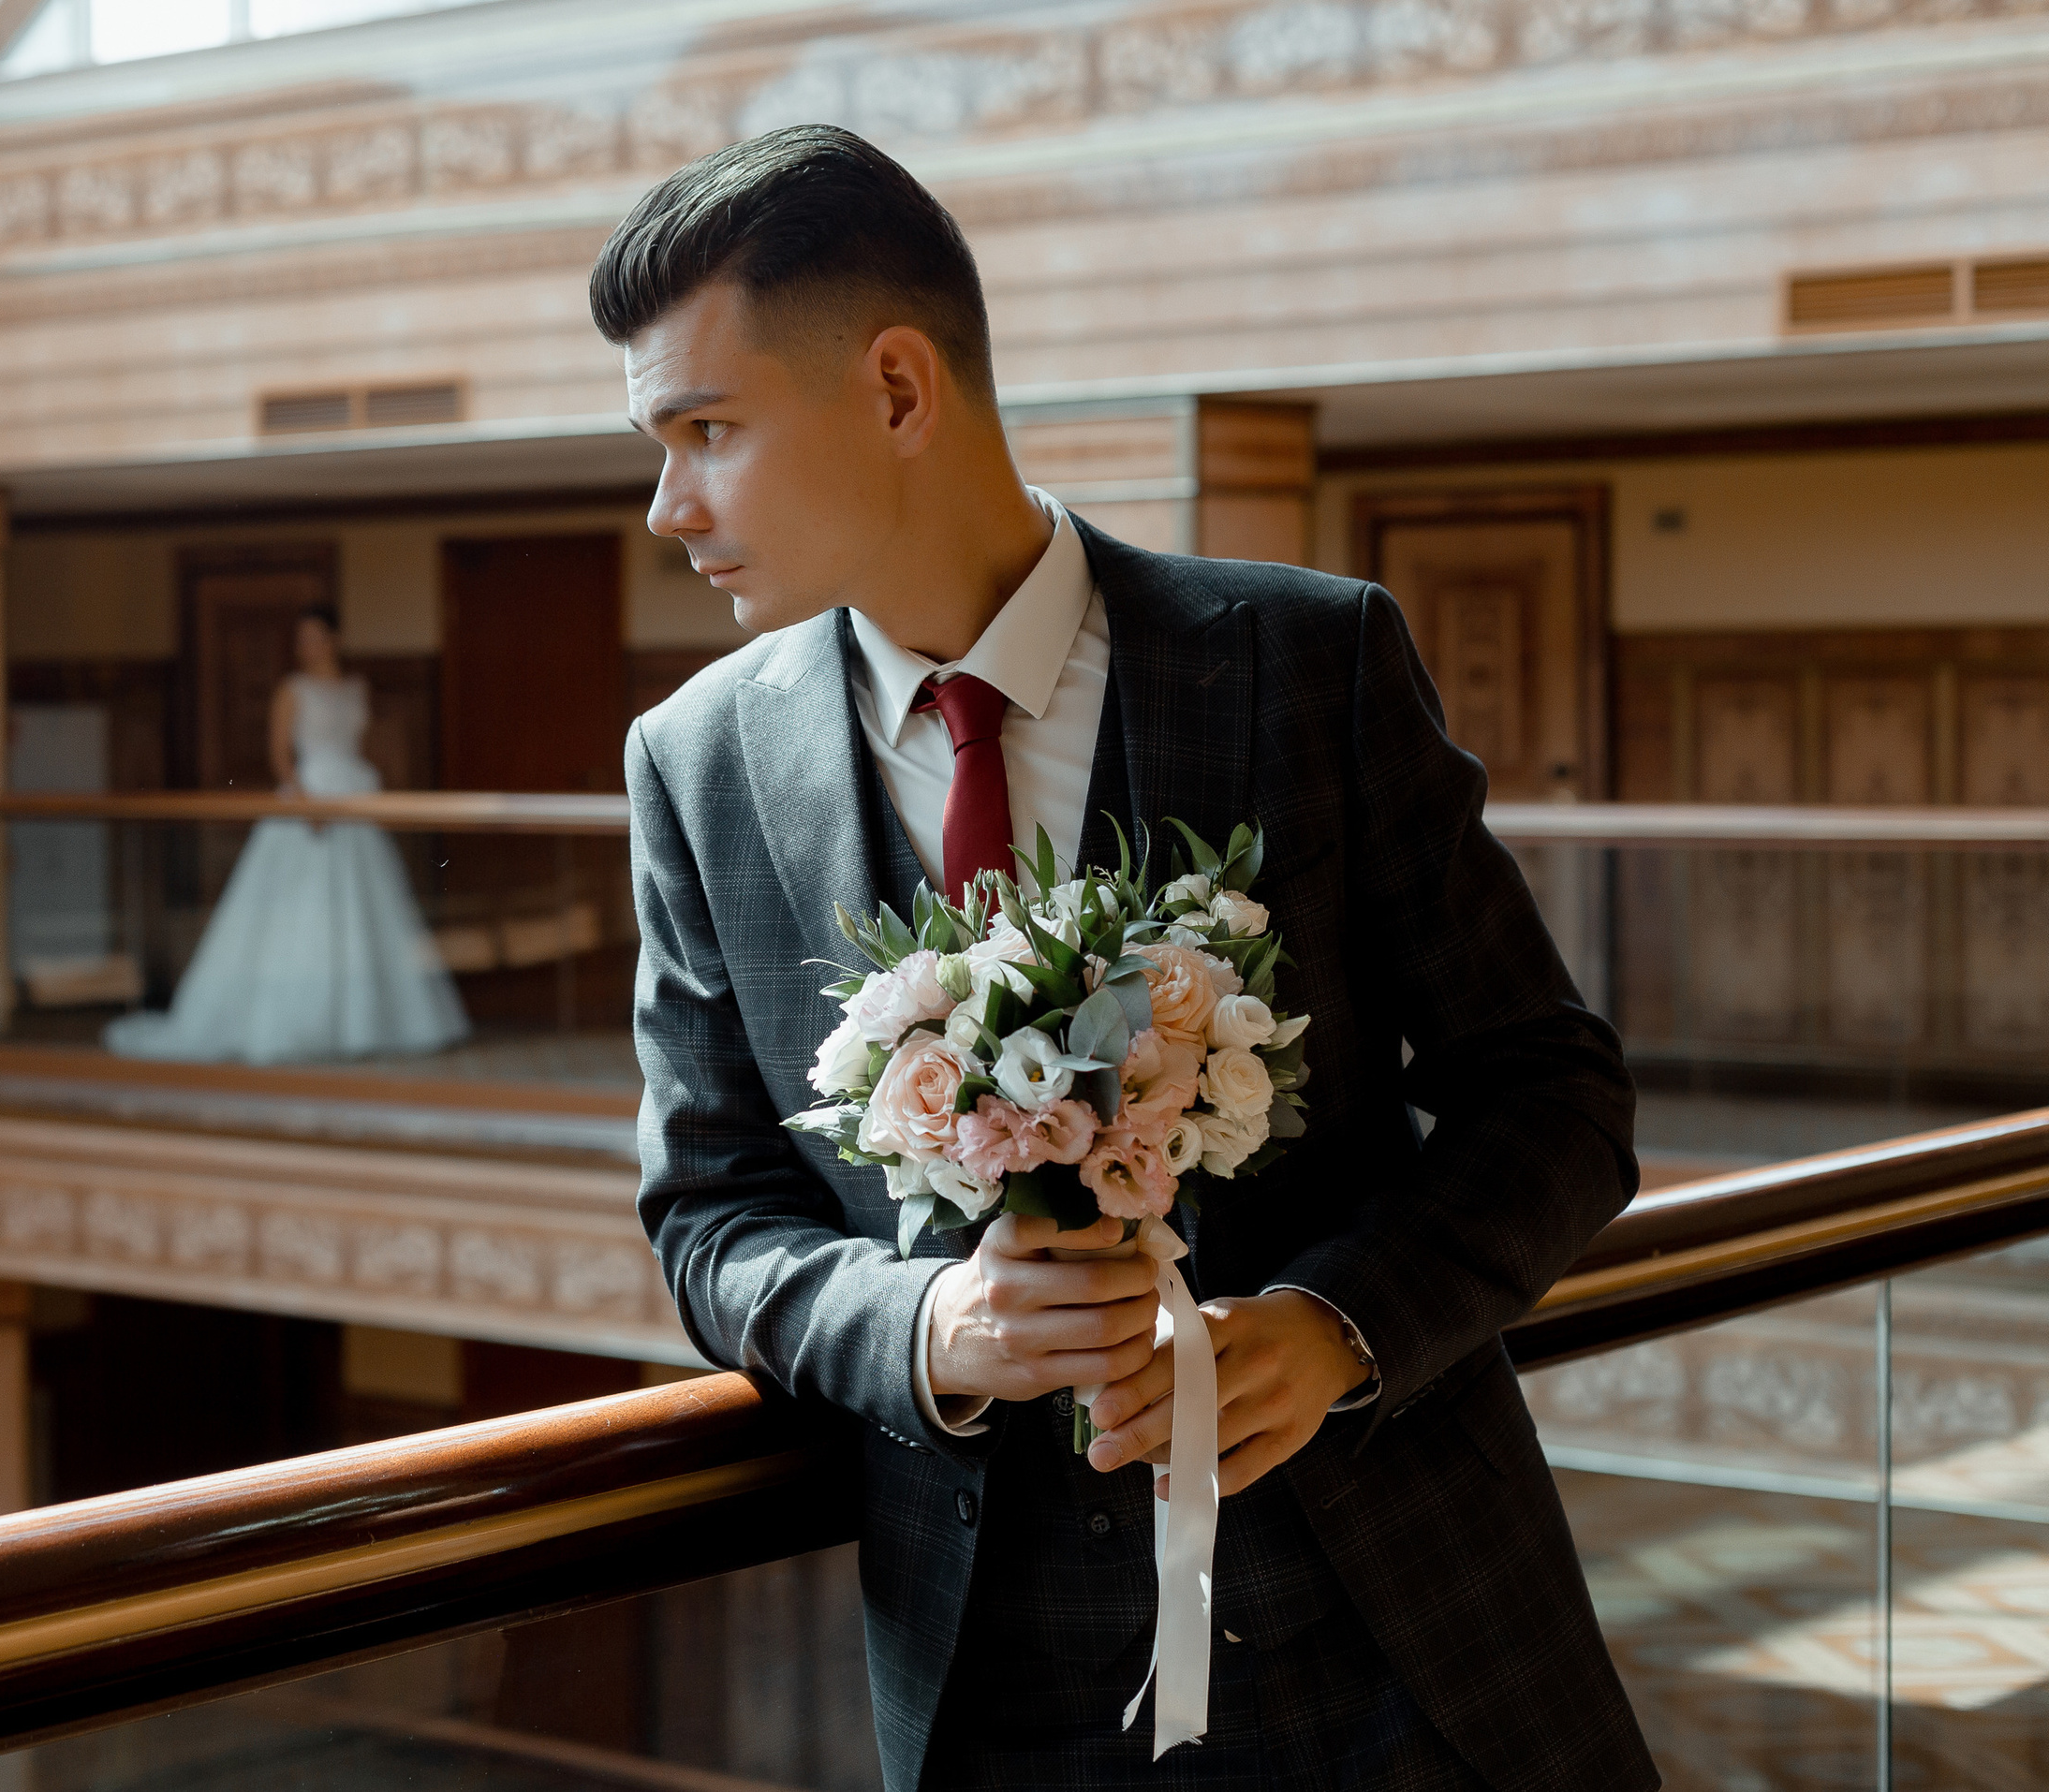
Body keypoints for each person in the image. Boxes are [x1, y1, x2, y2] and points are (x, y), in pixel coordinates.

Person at [605, 125, 1655, 1792]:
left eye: (706, 431)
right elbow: (710, 1208)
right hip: (991, 1690)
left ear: (895, 389)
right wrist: (930, 1316)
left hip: (1400, 1641)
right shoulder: (698, 761)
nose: (669, 506)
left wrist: (1336, 1323)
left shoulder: (1314, 661)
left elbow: (1555, 1096)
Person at [105, 604, 470, 1065]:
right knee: (298, 912)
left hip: (353, 800)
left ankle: (362, 1022)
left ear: (334, 638)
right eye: (301, 639)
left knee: (361, 910)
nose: (307, 647)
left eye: (315, 637)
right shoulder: (291, 690)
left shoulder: (357, 688)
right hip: (308, 801)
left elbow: (363, 743)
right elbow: (280, 756)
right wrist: (304, 804)